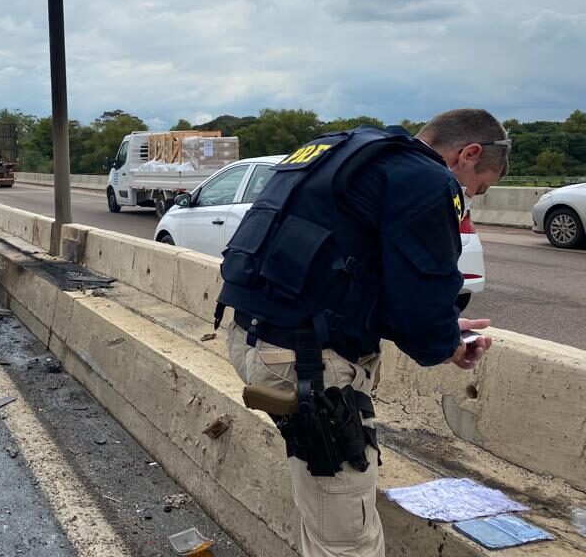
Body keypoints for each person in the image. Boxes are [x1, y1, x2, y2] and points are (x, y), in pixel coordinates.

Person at [217, 109, 509, 557]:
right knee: (347, 538)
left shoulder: (347, 152)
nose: (470, 195)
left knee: (322, 502)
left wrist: (443, 325)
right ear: (468, 154)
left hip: (255, 334)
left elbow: (349, 278)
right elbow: (421, 292)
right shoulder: (428, 180)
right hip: (305, 361)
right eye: (478, 185)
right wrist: (448, 344)